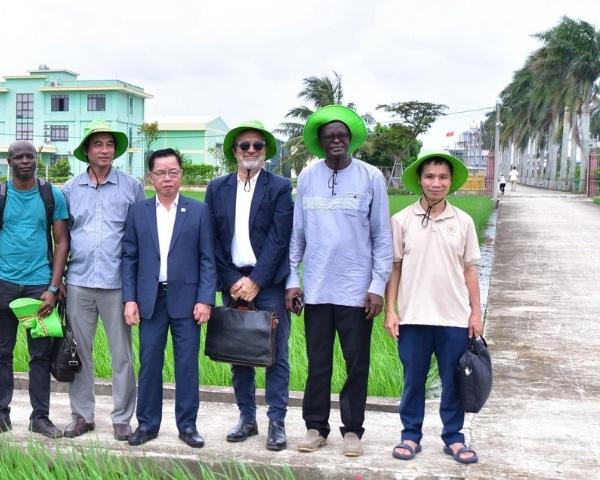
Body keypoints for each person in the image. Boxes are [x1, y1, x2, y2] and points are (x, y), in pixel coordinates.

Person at [286, 105, 392, 457]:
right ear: (320, 141)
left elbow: (381, 236)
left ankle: (352, 430)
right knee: (318, 363)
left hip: (357, 292)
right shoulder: (308, 179)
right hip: (316, 289)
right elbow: (297, 235)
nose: (336, 140)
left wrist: (377, 286)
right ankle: (316, 427)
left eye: (342, 135)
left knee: (356, 363)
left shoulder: (371, 177)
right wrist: (292, 279)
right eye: (329, 135)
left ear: (350, 140)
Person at [385, 151, 482, 464]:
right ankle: (410, 435)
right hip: (413, 317)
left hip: (454, 317)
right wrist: (391, 310)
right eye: (430, 177)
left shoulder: (464, 222)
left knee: (452, 381)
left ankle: (453, 437)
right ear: (420, 181)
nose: (436, 183)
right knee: (413, 379)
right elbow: (395, 269)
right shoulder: (400, 221)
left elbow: (470, 270)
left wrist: (476, 313)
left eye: (442, 177)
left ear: (451, 182)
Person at [205, 121, 294, 450]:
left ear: (266, 151)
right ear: (235, 152)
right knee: (239, 351)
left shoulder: (280, 187)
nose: (251, 151)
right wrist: (232, 280)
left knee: (275, 353)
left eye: (258, 145)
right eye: (245, 146)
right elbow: (212, 237)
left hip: (268, 282)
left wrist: (257, 280)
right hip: (232, 279)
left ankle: (276, 422)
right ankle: (247, 418)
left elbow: (279, 238)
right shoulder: (218, 188)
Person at [121, 148, 215, 449]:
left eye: (172, 172)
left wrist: (205, 299)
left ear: (181, 174)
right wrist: (130, 299)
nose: (167, 179)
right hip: (150, 299)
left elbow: (207, 259)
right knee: (149, 363)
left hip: (187, 301)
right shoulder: (138, 211)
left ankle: (187, 425)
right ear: (151, 176)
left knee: (186, 364)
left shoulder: (198, 210)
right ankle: (147, 424)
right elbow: (129, 258)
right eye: (160, 173)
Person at [0, 140, 70, 439]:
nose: (25, 161)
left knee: (40, 356)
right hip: (4, 286)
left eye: (30, 156)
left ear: (36, 159)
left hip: (38, 288)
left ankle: (40, 417)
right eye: (18, 157)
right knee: (1, 353)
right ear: (9, 161)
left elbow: (62, 242)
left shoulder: (51, 195)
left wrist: (53, 288)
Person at [61, 120, 142, 441]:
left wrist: (134, 286)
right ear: (87, 151)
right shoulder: (70, 189)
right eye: (98, 144)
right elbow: (62, 236)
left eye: (110, 144)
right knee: (79, 351)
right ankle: (82, 415)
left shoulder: (131, 187)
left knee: (122, 353)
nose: (105, 150)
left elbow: (138, 237)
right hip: (78, 280)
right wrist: (60, 279)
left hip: (117, 282)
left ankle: (122, 417)